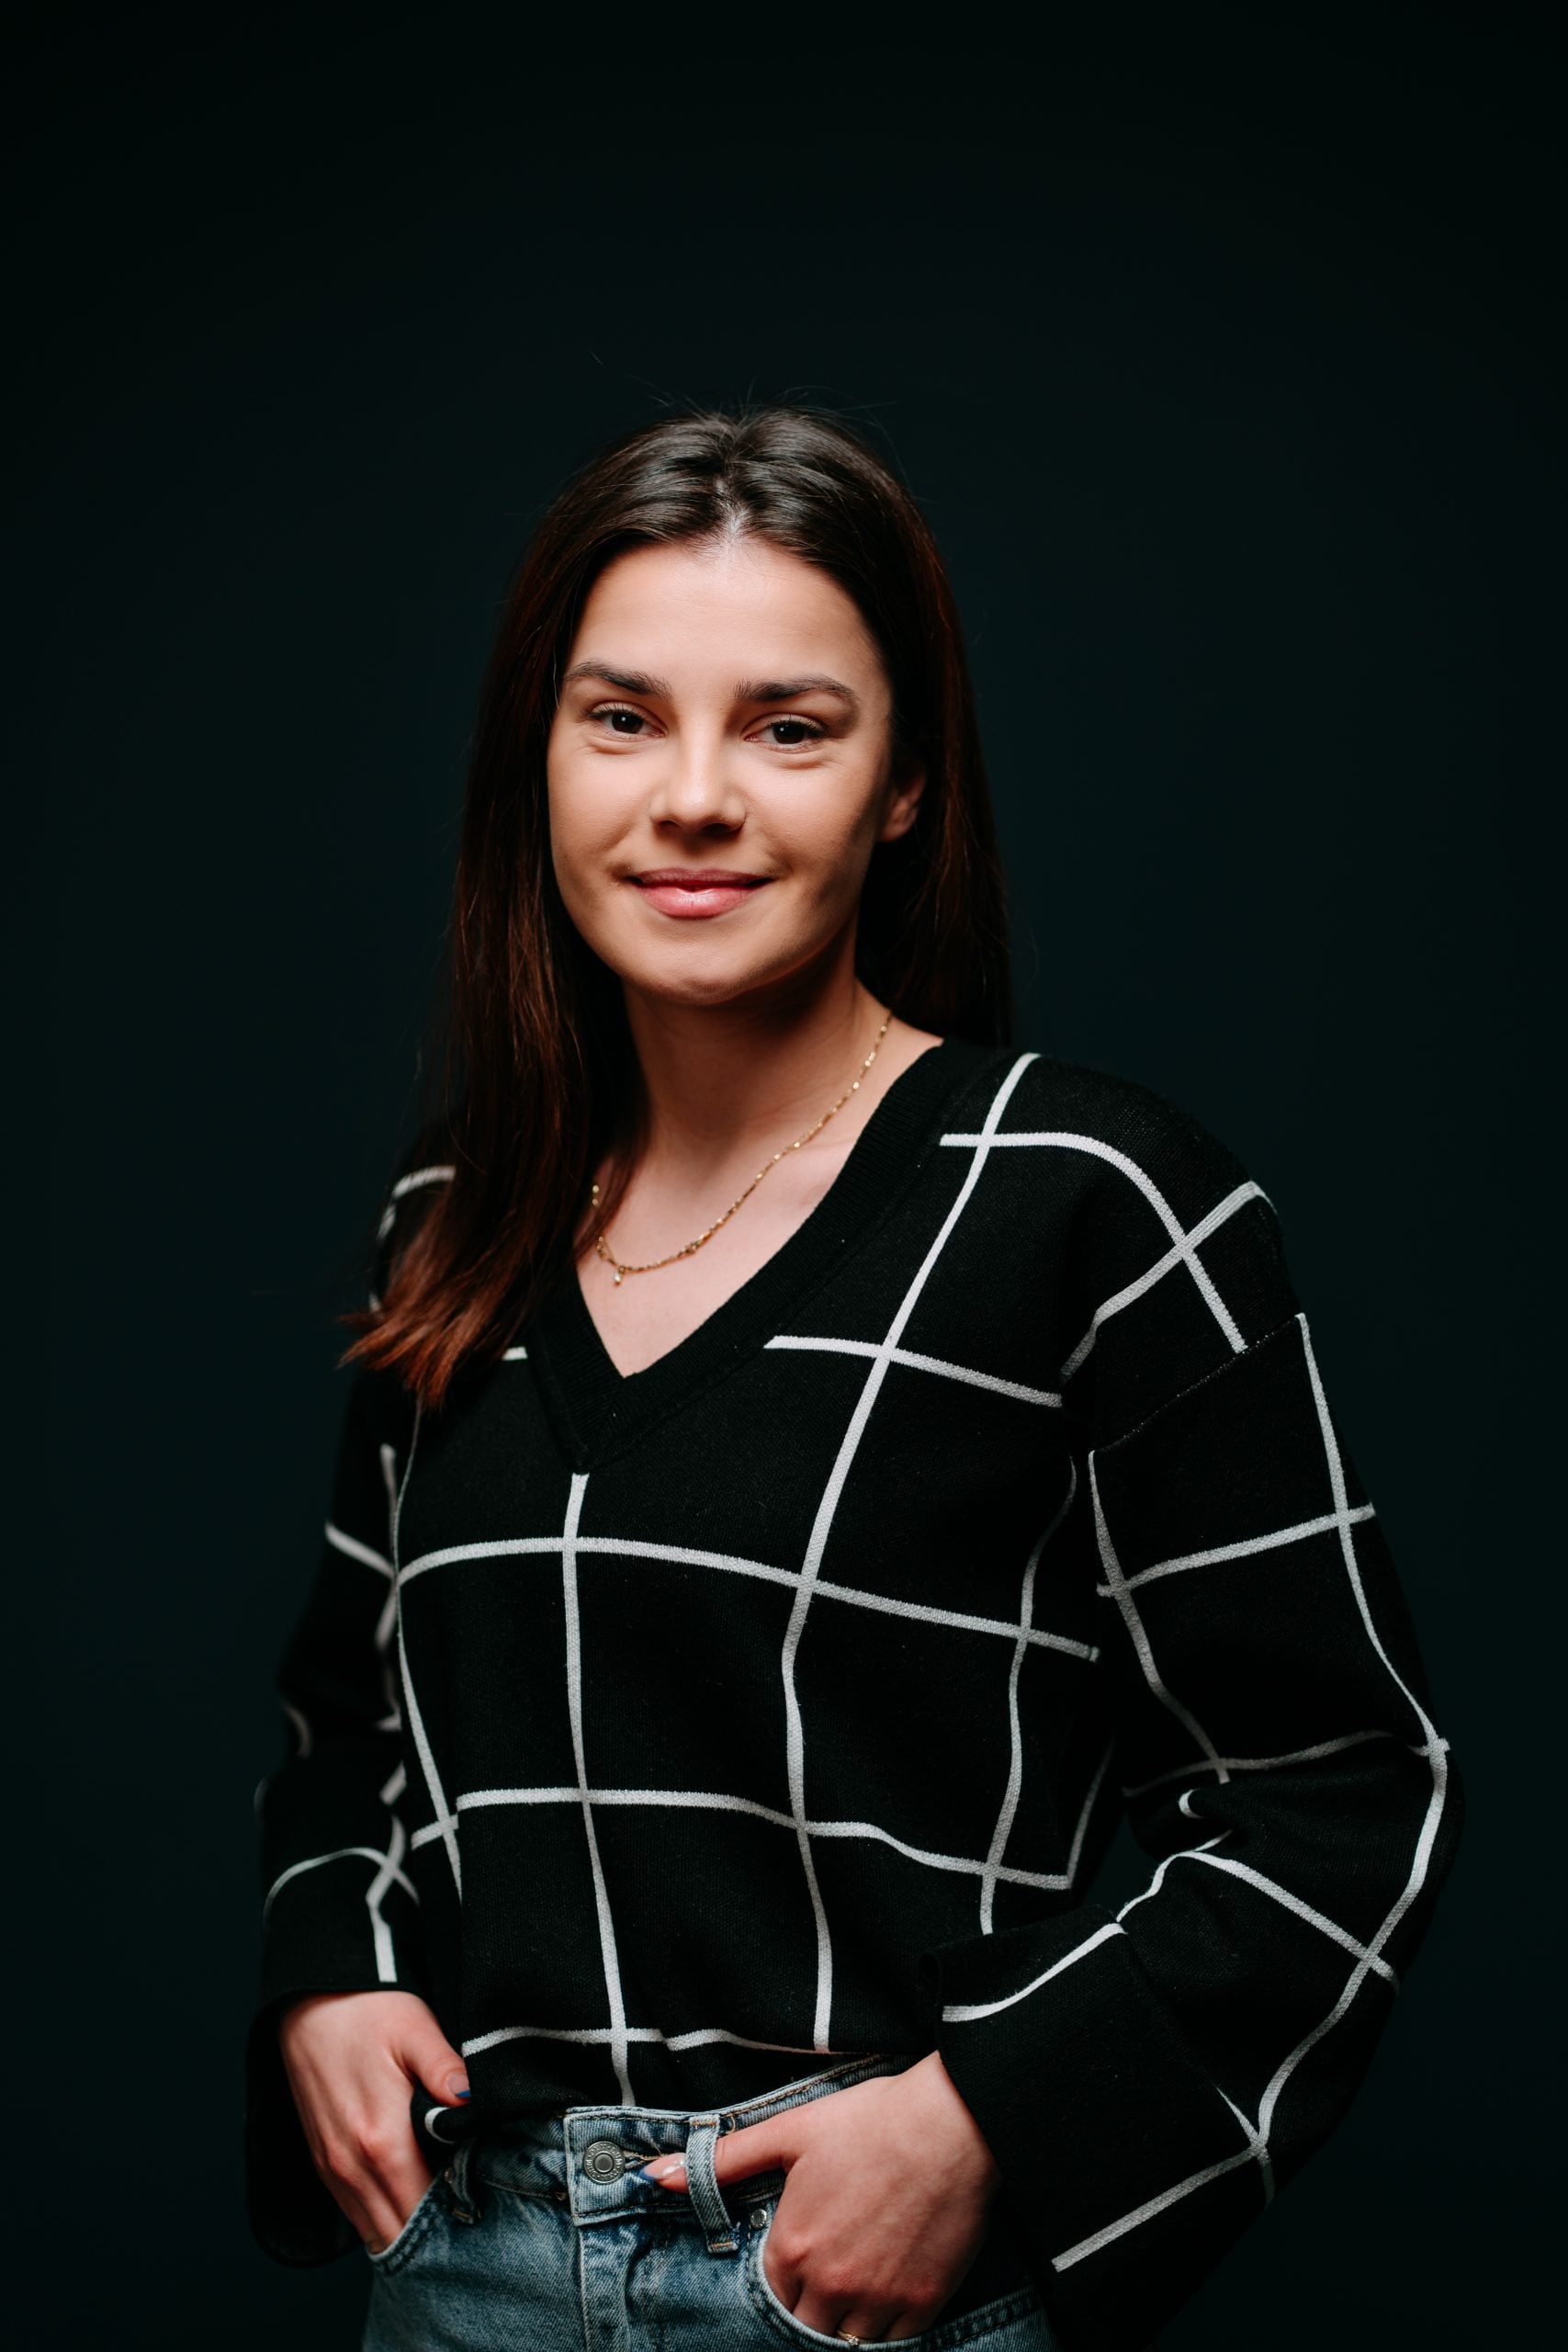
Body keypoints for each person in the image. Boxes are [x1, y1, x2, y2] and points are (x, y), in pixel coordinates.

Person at [246, 407, 1461, 2352]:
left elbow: (1340, 1788)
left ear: (903, 783)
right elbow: (351, 1720)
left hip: (855, 2286)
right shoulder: (456, 1217)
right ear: (537, 758)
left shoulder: (1085, 1205)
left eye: (788, 727)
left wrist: (989, 2118)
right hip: (463, 2271)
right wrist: (330, 1965)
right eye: (621, 717)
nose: (693, 797)